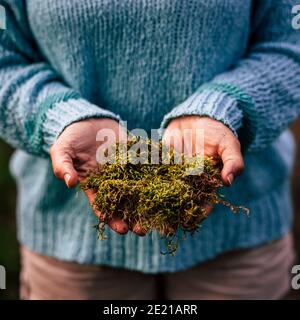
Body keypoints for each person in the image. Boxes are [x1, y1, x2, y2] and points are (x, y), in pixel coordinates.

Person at [0, 0, 299, 300]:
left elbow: (288, 45)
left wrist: (225, 108)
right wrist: (60, 118)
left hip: (239, 239)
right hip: (72, 244)